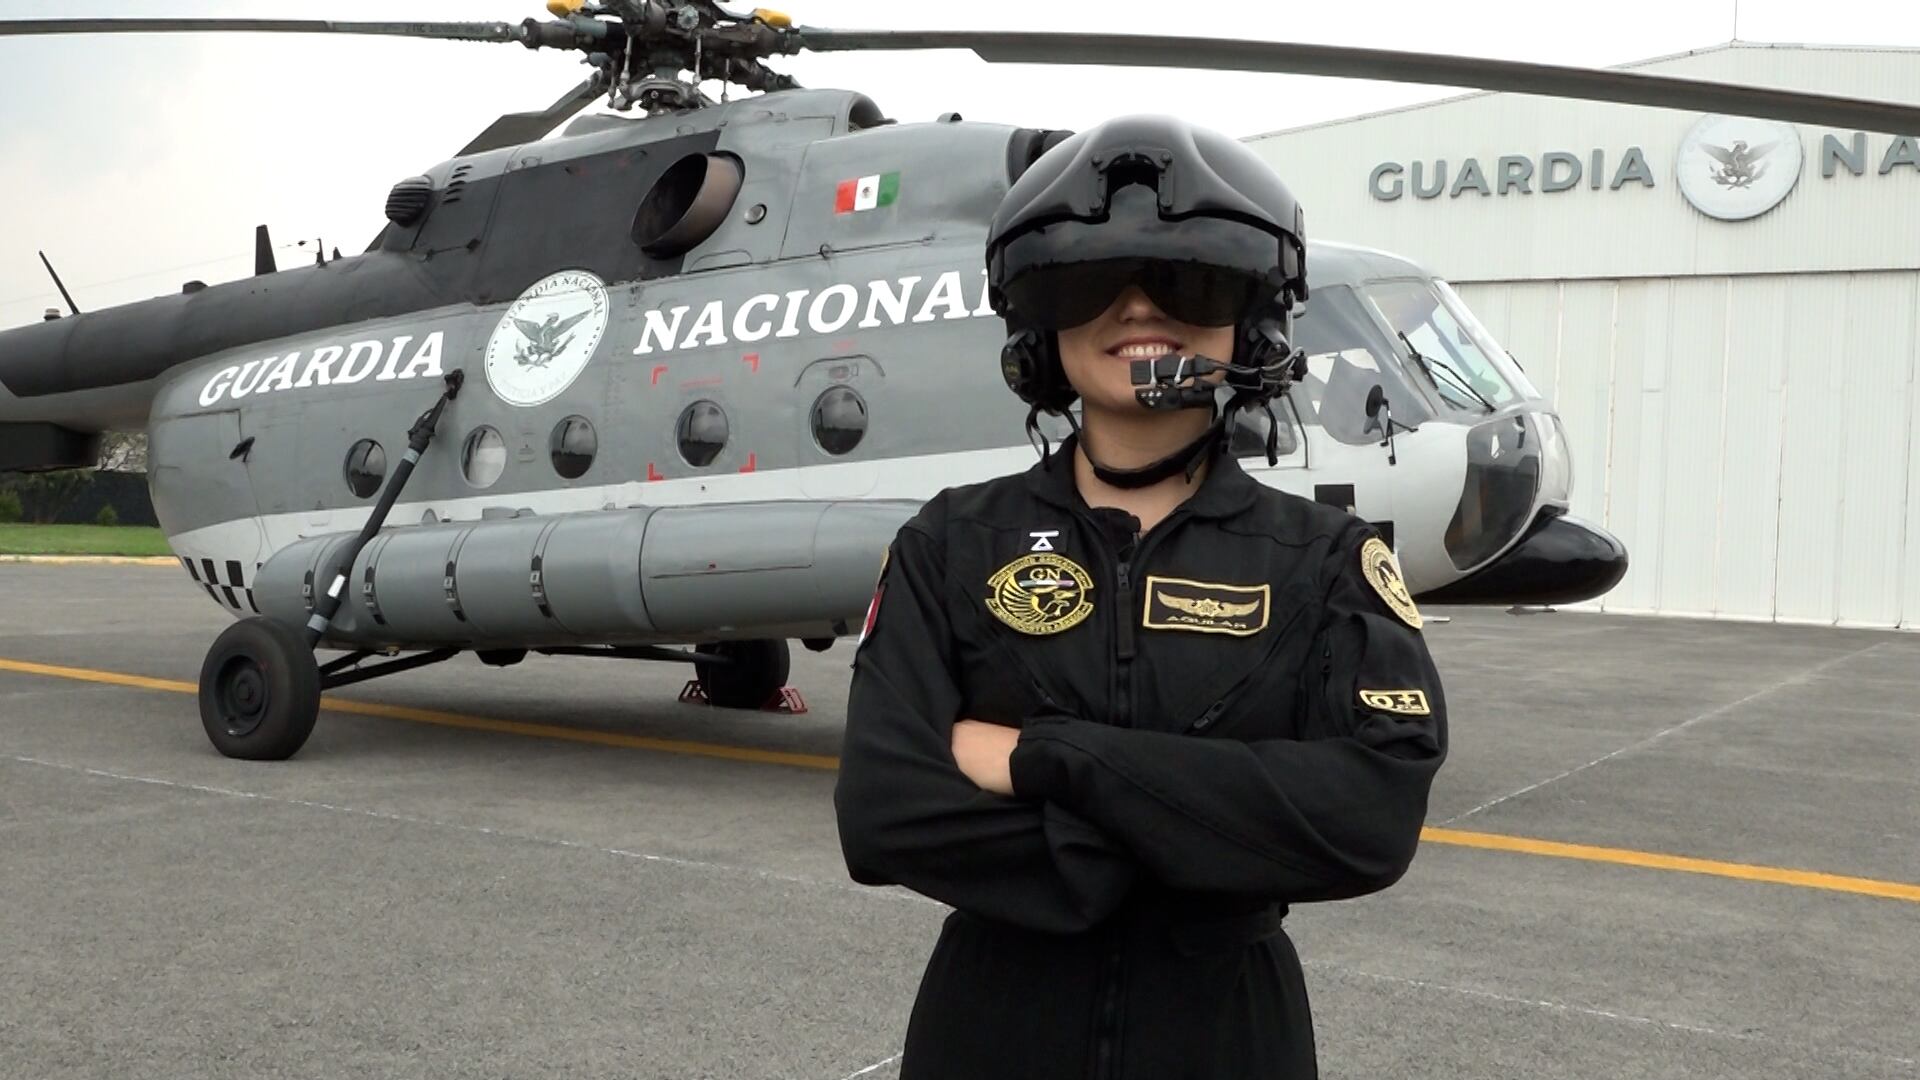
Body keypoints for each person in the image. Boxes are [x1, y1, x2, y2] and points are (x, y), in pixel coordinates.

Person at [833, 114, 1448, 1080]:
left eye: (1187, 279)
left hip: (1227, 1035)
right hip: (992, 1029)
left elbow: (1368, 818)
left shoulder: (1323, 561)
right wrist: (1200, 834)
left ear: (1252, 323)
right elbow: (884, 812)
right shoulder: (950, 543)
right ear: (1042, 334)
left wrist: (1052, 758)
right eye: (1088, 282)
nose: (1135, 310)